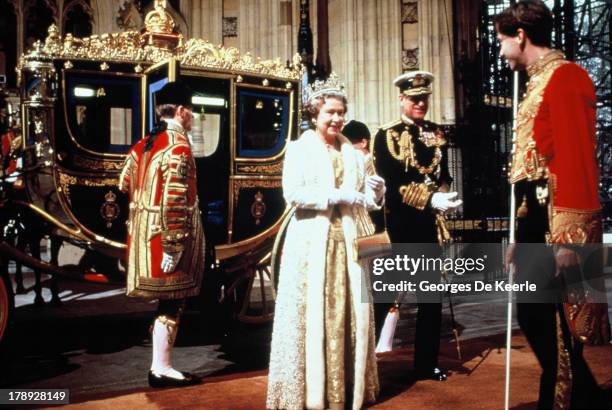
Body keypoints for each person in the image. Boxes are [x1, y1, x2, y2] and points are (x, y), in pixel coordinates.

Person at [496, 1, 609, 408]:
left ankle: (566, 401)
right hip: (535, 220)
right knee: (534, 316)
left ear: (521, 36)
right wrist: (519, 234)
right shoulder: (535, 81)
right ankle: (584, 398)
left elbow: (576, 157)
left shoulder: (566, 77)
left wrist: (571, 239)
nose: (501, 51)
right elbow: (530, 172)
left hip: (557, 222)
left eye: (502, 41)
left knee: (554, 324)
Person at [266, 74, 384, 410]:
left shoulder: (354, 154)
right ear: (315, 114)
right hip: (310, 242)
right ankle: (308, 394)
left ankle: (344, 389)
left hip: (346, 241)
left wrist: (375, 193)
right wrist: (335, 195)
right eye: (330, 112)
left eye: (341, 112)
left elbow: (363, 201)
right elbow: (293, 194)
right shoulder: (299, 149)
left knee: (346, 314)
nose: (336, 118)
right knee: (311, 313)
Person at [372, 71, 462, 381]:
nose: (420, 103)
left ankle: (426, 363)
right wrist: (429, 200)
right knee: (384, 296)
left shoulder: (437, 134)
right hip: (399, 227)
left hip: (428, 228)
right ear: (401, 100)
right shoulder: (386, 135)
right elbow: (393, 184)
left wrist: (444, 195)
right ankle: (364, 360)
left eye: (424, 98)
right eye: (414, 99)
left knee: (431, 299)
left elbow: (443, 173)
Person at [118, 81, 205, 388]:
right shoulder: (178, 146)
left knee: (167, 303)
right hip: (165, 237)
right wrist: (173, 244)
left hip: (143, 235)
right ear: (181, 111)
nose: (193, 116)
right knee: (172, 302)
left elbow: (124, 182)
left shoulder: (142, 144)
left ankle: (161, 365)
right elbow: (175, 198)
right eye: (191, 111)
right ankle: (162, 368)